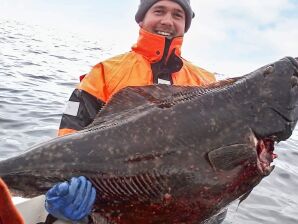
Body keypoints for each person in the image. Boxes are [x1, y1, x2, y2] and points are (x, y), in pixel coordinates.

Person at [45, 0, 217, 222]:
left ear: (186, 25)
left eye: (177, 15)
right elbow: (69, 141)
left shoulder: (206, 83)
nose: (167, 20)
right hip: (105, 200)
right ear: (141, 18)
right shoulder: (105, 72)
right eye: (159, 11)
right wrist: (63, 191)